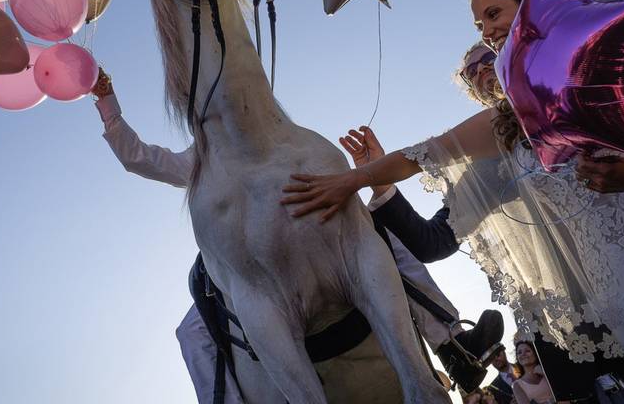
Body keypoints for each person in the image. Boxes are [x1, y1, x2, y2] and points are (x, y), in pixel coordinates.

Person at [281, 0, 624, 400]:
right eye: (479, 25)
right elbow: (421, 157)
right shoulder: (505, 125)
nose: (489, 31)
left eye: (495, 14)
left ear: (534, 7)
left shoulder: (614, 62)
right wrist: (351, 180)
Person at [89, 69, 502, 402]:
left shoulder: (285, 140)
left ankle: (453, 344)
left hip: (312, 233)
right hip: (245, 262)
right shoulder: (197, 163)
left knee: (380, 238)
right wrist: (107, 104)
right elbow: (137, 158)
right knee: (191, 333)